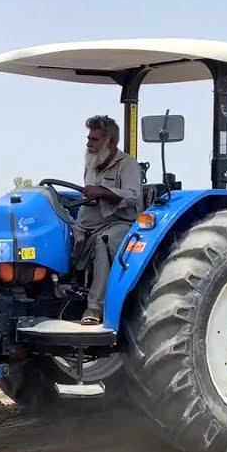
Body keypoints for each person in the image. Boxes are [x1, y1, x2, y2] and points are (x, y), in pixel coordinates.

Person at [73, 114, 142, 325]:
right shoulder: (92, 163)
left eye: (94, 139)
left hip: (120, 223)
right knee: (62, 232)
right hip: (89, 221)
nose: (88, 143)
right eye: (88, 138)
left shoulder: (128, 165)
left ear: (110, 142)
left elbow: (133, 196)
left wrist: (102, 192)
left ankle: (95, 307)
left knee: (102, 241)